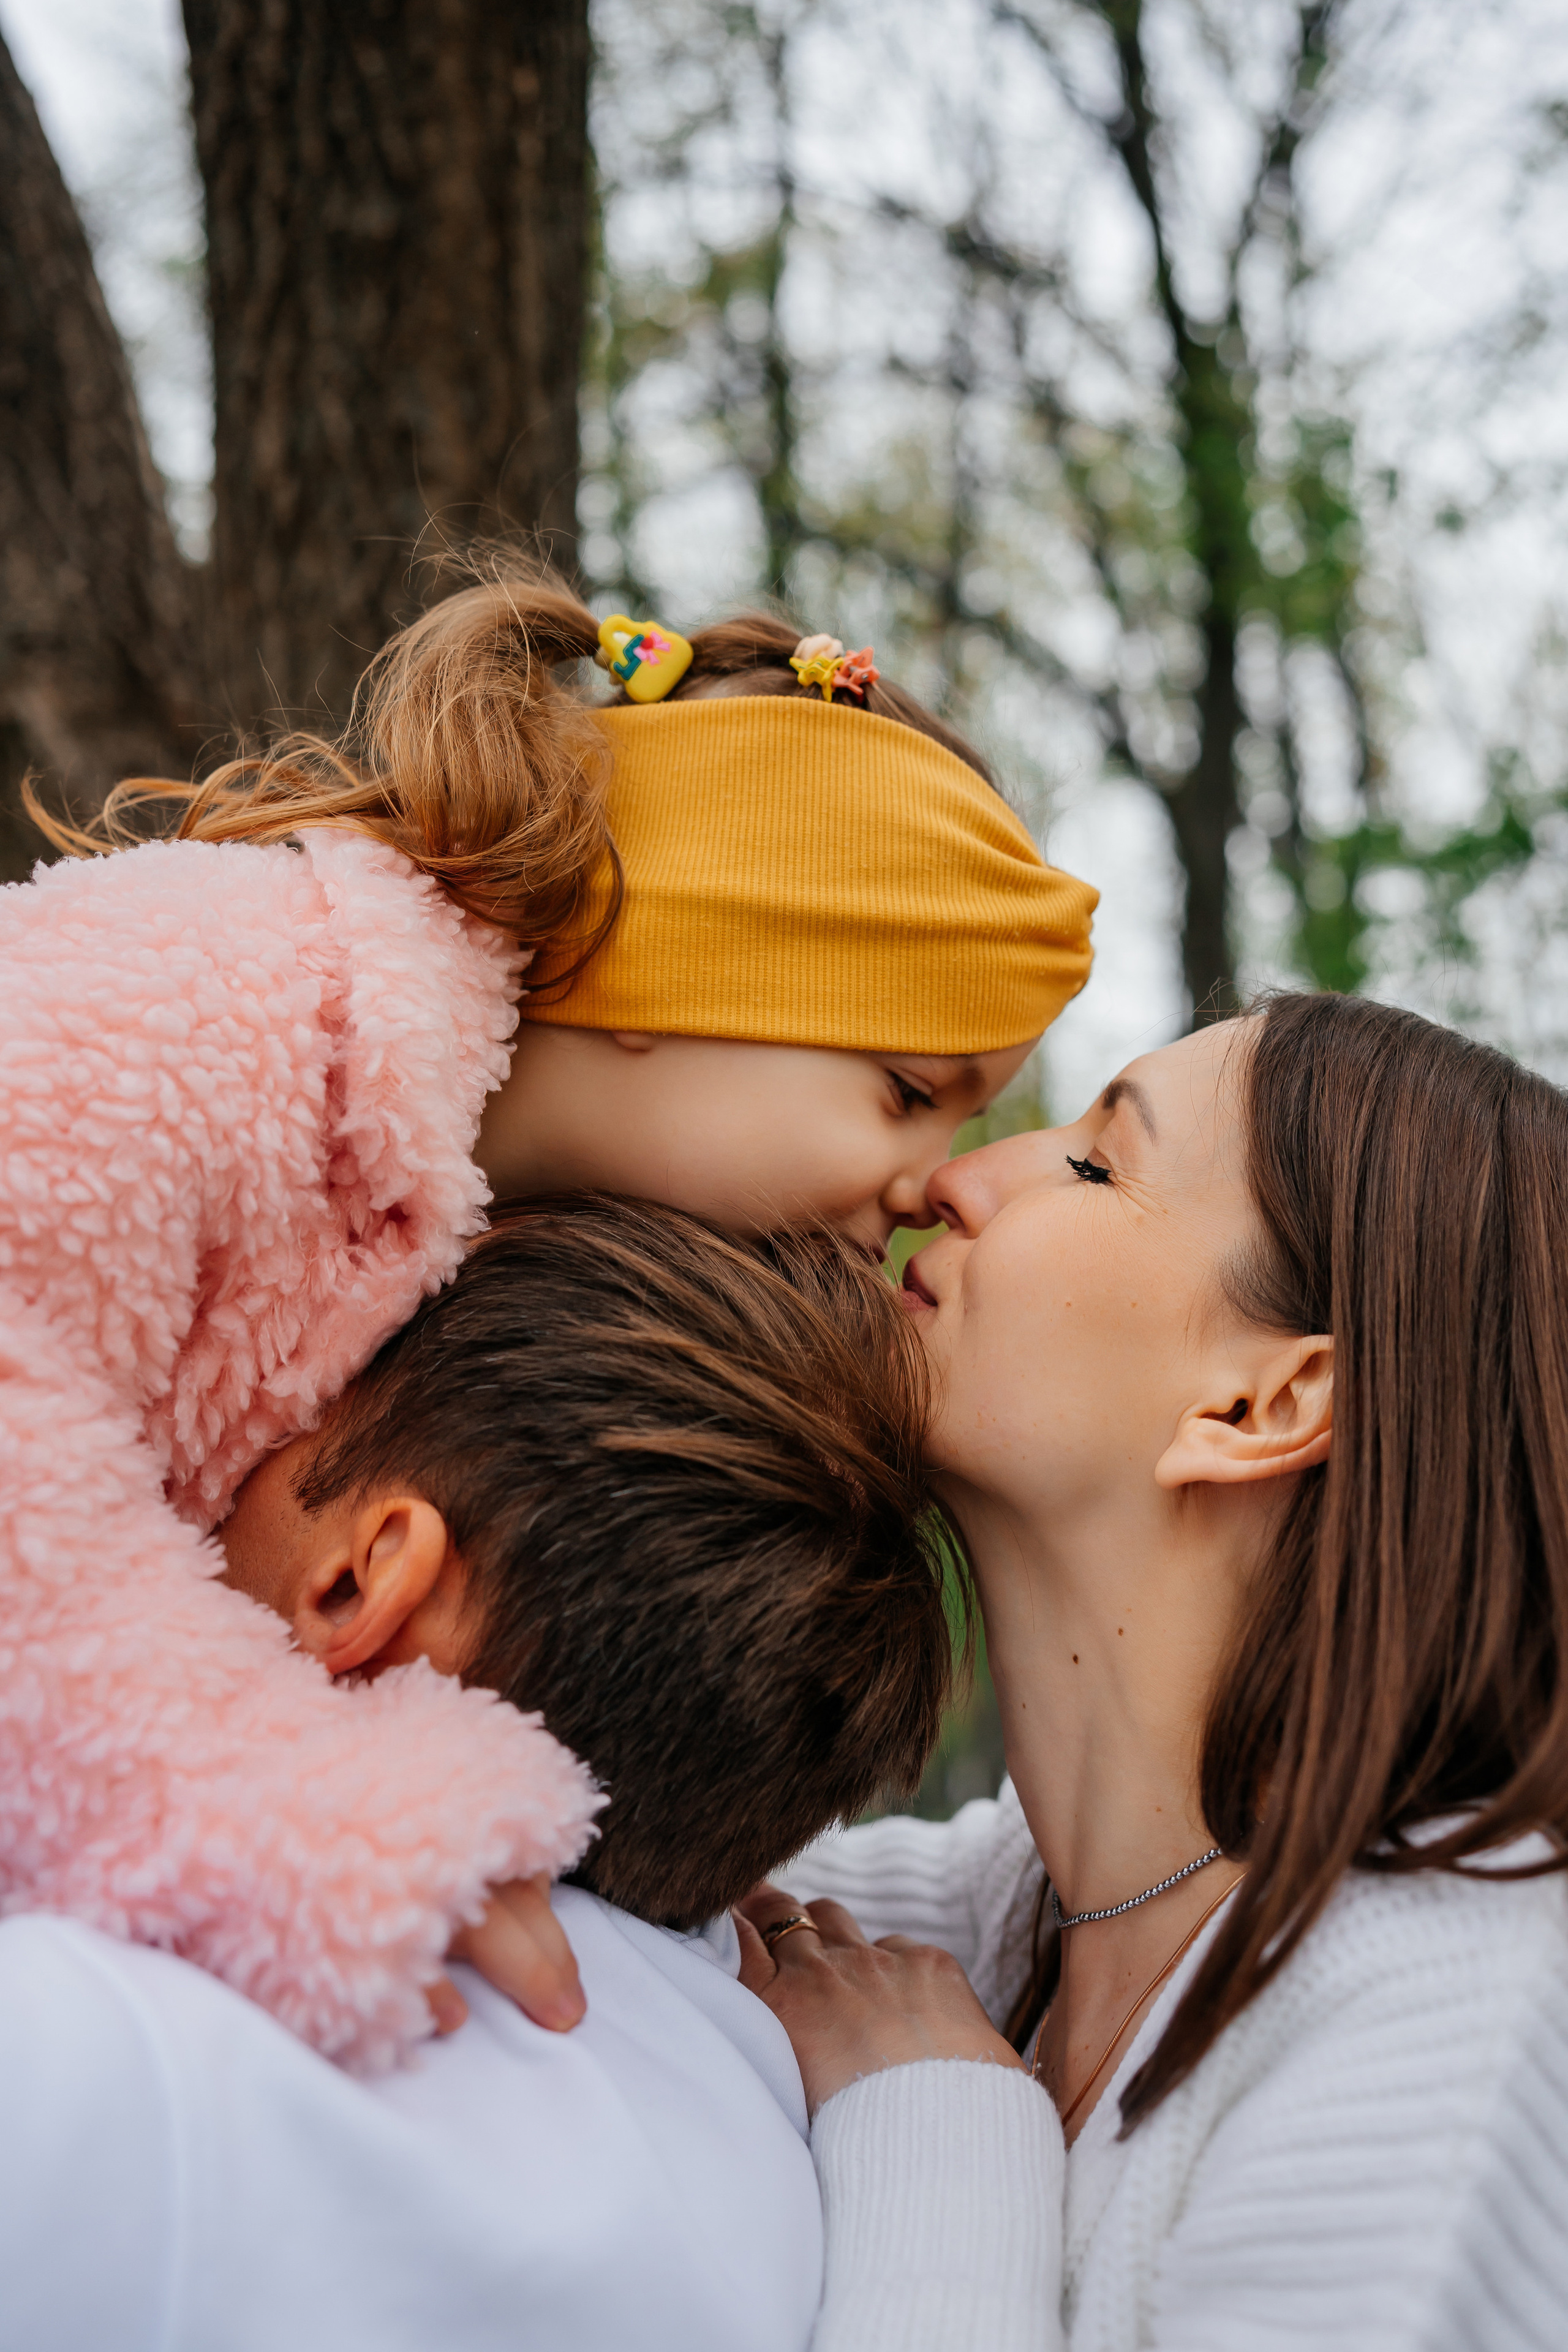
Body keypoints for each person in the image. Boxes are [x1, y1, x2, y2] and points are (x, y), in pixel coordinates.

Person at [2, 557, 1095, 2064]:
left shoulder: (427, 1207)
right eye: (912, 1094)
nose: (929, 1184)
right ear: (691, 964)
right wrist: (287, 1806)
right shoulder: (206, 1009)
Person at [739, 992, 1568, 2351]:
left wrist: (940, 2139)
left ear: (1260, 1407)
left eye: (1092, 1161)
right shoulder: (1018, 1920)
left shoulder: (1452, 2032)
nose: (955, 1176)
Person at [0, 1196, 952, 2352]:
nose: (195, 1463)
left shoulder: (129, 2060)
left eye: (284, 1412)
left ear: (364, 1583)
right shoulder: (769, 2145)